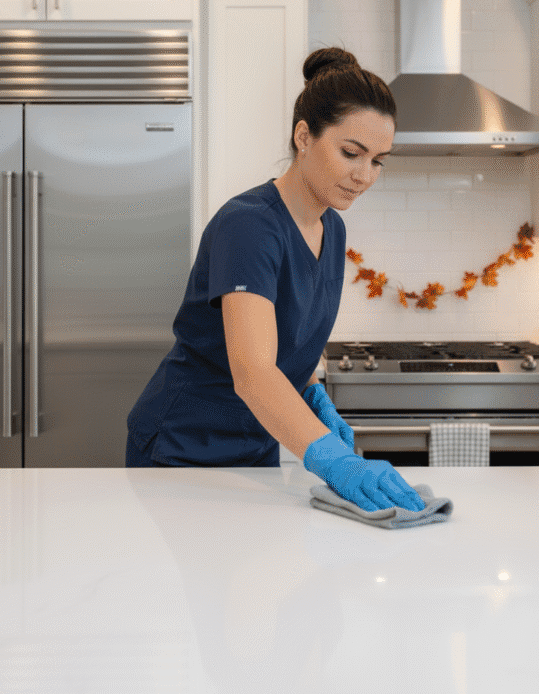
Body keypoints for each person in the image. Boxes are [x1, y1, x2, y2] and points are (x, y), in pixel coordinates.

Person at [126, 47, 424, 513]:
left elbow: (292, 340)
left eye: (378, 160)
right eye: (351, 153)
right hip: (183, 448)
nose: (364, 176)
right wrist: (334, 460)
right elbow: (253, 372)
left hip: (254, 445)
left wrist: (313, 394)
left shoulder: (333, 226)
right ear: (303, 136)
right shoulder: (249, 226)